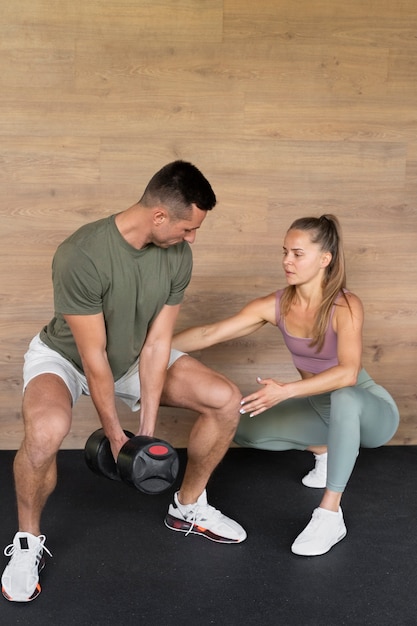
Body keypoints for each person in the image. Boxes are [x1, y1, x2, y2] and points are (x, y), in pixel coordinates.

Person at [2, 161, 246, 603]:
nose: (191, 238)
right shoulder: (82, 253)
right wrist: (117, 438)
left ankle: (187, 506)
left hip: (133, 356)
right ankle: (26, 540)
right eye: (187, 228)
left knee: (225, 399)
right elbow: (93, 357)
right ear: (159, 216)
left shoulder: (177, 256)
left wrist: (145, 433)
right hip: (68, 357)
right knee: (45, 432)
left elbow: (156, 346)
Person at [172, 214, 399, 557]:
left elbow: (348, 373)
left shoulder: (345, 305)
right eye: (284, 252)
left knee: (345, 398)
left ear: (325, 260)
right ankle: (325, 450)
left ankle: (329, 514)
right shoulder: (276, 305)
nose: (286, 261)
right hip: (319, 414)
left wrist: (286, 390)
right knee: (238, 423)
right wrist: (154, 348)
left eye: (297, 254)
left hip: (370, 413)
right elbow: (209, 334)